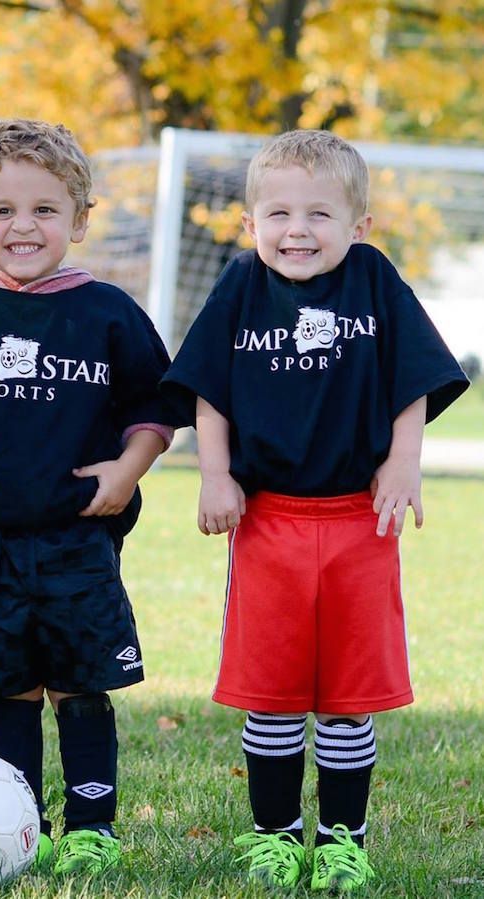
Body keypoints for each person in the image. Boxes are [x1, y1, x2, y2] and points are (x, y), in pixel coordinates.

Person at [160, 129, 469, 892]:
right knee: (272, 691)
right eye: (279, 214)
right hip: (269, 521)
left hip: (360, 522)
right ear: (250, 223)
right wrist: (215, 475)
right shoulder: (239, 283)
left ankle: (343, 838)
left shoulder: (373, 280)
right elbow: (208, 391)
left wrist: (403, 462)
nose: (297, 230)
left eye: (320, 215)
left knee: (346, 700)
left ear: (358, 225)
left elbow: (415, 378)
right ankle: (273, 834)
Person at [0, 118, 178, 875]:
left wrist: (128, 471)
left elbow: (154, 410)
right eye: (3, 210)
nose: (24, 226)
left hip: (78, 539)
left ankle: (91, 826)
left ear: (80, 220)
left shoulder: (107, 310)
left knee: (80, 684)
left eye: (46, 209)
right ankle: (21, 823)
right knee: (9, 687)